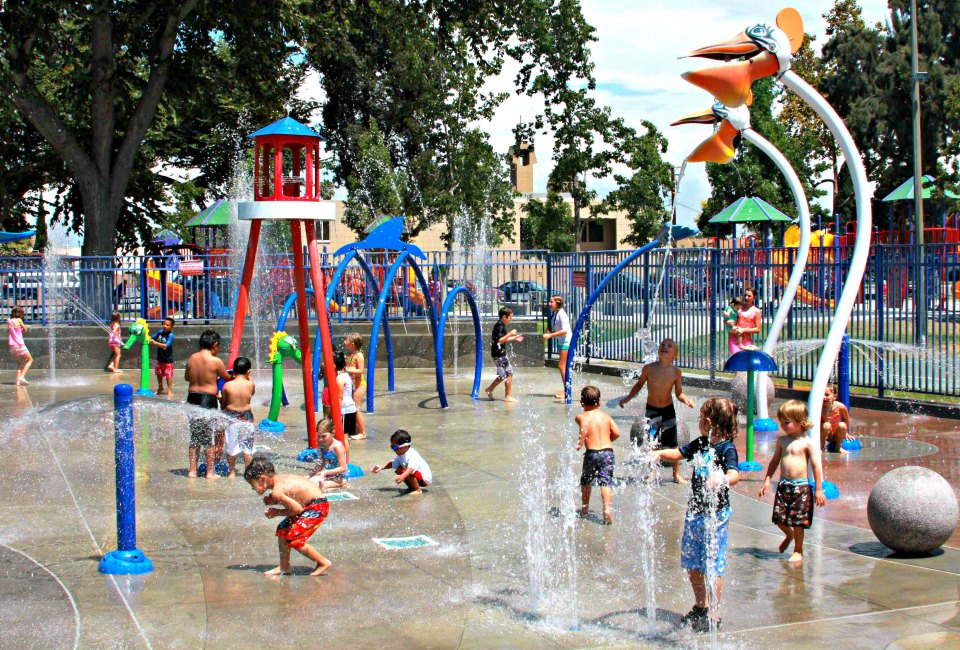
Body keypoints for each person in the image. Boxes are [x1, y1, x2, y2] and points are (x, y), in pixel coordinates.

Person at [649, 397, 741, 633]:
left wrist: (721, 479)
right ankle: (701, 604)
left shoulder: (727, 448)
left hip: (716, 516)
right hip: (695, 513)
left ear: (708, 422)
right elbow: (679, 453)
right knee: (692, 562)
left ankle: (714, 613)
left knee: (712, 565)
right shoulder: (700, 443)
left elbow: (734, 474)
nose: (699, 422)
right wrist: (658, 454)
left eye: (700, 418)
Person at [759, 400, 827, 563]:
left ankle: (798, 550)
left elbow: (816, 467)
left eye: (787, 422)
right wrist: (767, 479)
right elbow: (775, 461)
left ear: (801, 423)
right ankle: (788, 534)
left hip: (801, 487)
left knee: (798, 521)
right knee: (778, 517)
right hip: (784, 486)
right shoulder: (782, 441)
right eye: (781, 421)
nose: (782, 425)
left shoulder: (808, 443)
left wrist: (818, 489)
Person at [619, 338, 695, 483]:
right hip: (652, 411)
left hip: (668, 410)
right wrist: (627, 398)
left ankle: (676, 474)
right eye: (662, 345)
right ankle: (652, 472)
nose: (664, 347)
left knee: (673, 443)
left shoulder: (676, 372)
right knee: (651, 442)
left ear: (675, 355)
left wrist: (686, 400)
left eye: (669, 346)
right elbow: (639, 385)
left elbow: (679, 393)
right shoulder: (649, 369)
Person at [244, 457, 332, 577]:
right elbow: (297, 496)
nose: (252, 489)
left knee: (294, 538)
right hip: (311, 504)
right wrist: (277, 502)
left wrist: (276, 512)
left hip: (317, 507)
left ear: (262, 479)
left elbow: (297, 509)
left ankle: (323, 562)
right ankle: (284, 566)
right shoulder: (280, 479)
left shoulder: (277, 491)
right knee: (282, 529)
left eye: (252, 485)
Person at [184, 329, 231, 479]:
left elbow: (187, 377)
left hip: (192, 398)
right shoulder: (215, 361)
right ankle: (210, 472)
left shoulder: (192, 358)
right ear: (215, 345)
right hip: (207, 399)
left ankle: (192, 470)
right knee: (207, 437)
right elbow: (226, 377)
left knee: (195, 436)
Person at [576, 385, 621, 524]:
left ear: (581, 402)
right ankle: (607, 509)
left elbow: (584, 427)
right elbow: (617, 433)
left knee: (586, 481)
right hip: (608, 453)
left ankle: (585, 508)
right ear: (600, 402)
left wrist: (581, 442)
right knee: (605, 482)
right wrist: (608, 441)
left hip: (592, 453)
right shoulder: (606, 417)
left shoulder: (581, 416)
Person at [221, 356, 256, 478]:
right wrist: (248, 376)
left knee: (231, 447)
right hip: (247, 418)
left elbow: (224, 404)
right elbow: (252, 394)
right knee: (248, 448)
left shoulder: (227, 386)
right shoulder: (250, 384)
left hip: (232, 419)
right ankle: (248, 471)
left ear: (233, 371)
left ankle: (231, 472)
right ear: (248, 372)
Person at [370, 429, 432, 495]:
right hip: (417, 476)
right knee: (399, 469)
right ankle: (412, 487)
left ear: (405, 446)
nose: (393, 449)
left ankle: (417, 490)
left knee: (404, 471)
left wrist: (402, 476)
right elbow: (392, 463)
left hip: (424, 478)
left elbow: (411, 469)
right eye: (392, 447)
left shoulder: (412, 455)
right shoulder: (401, 454)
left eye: (395, 447)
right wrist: (381, 467)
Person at [485, 306, 523, 402]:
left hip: (498, 353)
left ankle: (489, 389)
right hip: (499, 354)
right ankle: (507, 396)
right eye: (510, 317)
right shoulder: (500, 326)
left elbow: (502, 340)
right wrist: (510, 334)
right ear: (504, 317)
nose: (511, 320)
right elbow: (500, 340)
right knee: (509, 373)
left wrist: (514, 338)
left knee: (503, 375)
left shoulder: (500, 325)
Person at [543, 295, 572, 401]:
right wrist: (549, 331)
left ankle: (567, 392)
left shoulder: (562, 314)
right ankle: (566, 390)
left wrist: (550, 335)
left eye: (551, 302)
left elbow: (565, 331)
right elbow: (554, 326)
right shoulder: (555, 313)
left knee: (561, 366)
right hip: (562, 341)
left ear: (557, 303)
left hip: (566, 342)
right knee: (562, 366)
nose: (549, 304)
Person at [309, 418, 350, 490]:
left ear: (333, 433)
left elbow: (343, 468)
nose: (320, 439)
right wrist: (311, 475)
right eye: (318, 436)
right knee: (308, 483)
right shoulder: (321, 445)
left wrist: (325, 472)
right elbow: (321, 464)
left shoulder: (337, 447)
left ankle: (341, 485)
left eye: (323, 436)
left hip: (340, 478)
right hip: (328, 475)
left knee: (318, 487)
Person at [332, 351, 362, 440]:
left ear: (333, 365)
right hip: (350, 408)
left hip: (345, 410)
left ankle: (343, 454)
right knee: (345, 437)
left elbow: (340, 396)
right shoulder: (346, 375)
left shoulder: (340, 378)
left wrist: (337, 412)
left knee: (342, 437)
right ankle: (345, 453)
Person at [343, 332, 367, 439]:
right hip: (353, 385)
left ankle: (362, 433)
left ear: (352, 344)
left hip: (359, 385)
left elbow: (361, 370)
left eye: (346, 340)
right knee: (352, 408)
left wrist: (348, 369)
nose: (344, 342)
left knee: (355, 408)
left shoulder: (359, 355)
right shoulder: (350, 355)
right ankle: (356, 430)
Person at [821, 385, 854, 453]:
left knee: (842, 425)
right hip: (827, 433)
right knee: (826, 425)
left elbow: (846, 419)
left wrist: (846, 432)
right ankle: (821, 447)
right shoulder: (820, 408)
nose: (824, 397)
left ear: (835, 396)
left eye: (827, 395)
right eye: (822, 394)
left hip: (837, 434)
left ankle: (838, 447)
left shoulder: (840, 407)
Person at [149, 317, 176, 397]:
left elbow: (166, 345)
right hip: (160, 358)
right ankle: (160, 387)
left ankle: (169, 390)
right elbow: (152, 337)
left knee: (168, 375)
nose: (164, 326)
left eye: (167, 325)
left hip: (168, 359)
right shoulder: (160, 332)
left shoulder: (171, 335)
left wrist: (155, 343)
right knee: (159, 373)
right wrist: (147, 337)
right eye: (164, 324)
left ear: (171, 327)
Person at [730, 285, 761, 353]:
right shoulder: (739, 309)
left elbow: (758, 329)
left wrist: (743, 330)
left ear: (754, 297)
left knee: (747, 360)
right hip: (735, 339)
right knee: (737, 357)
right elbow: (729, 321)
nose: (746, 298)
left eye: (749, 296)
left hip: (747, 340)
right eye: (745, 295)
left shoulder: (756, 311)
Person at [7, 306, 32, 386]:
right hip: (19, 345)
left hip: (12, 346)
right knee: (30, 360)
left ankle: (18, 382)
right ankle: (21, 376)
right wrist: (22, 327)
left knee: (20, 363)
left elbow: (9, 331)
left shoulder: (10, 321)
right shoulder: (19, 320)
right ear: (19, 313)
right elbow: (25, 330)